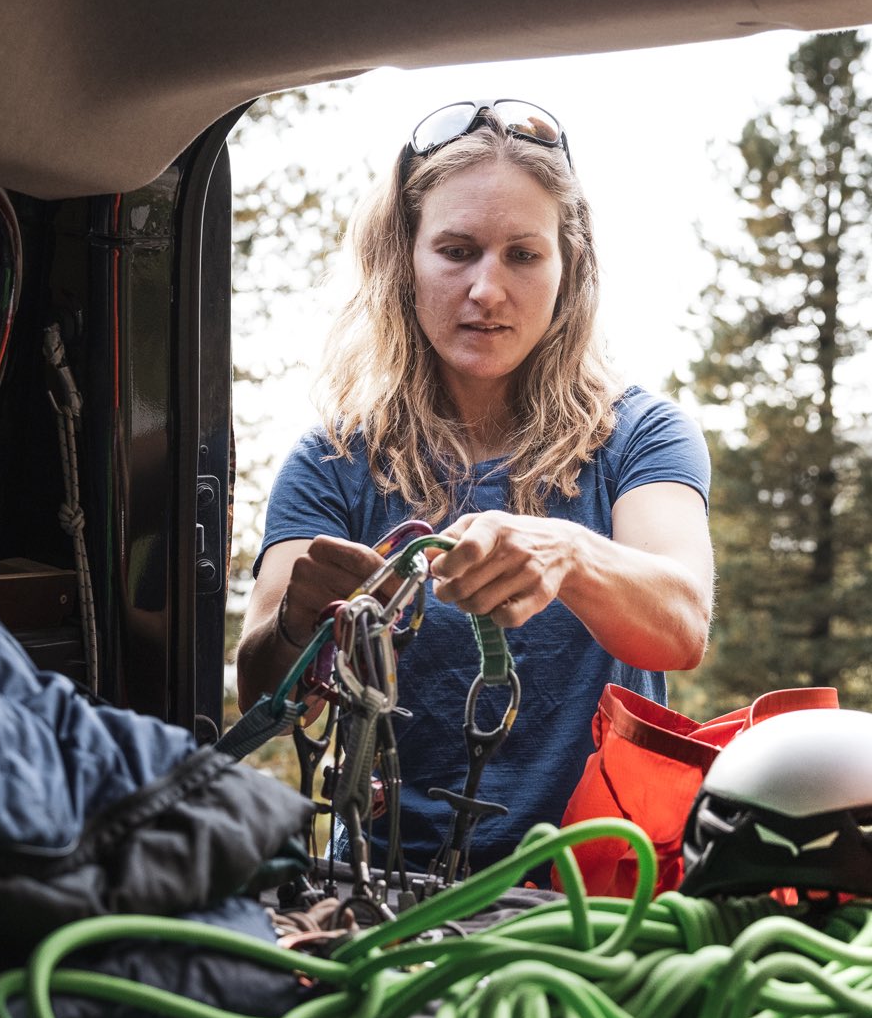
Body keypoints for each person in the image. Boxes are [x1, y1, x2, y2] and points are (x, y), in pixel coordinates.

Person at [236, 98, 714, 881]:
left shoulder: (641, 437)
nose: (487, 289)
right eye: (456, 250)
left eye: (522, 255)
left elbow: (680, 623)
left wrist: (568, 555)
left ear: (569, 266)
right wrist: (298, 623)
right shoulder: (332, 460)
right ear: (406, 260)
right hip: (384, 894)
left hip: (596, 892)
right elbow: (267, 697)